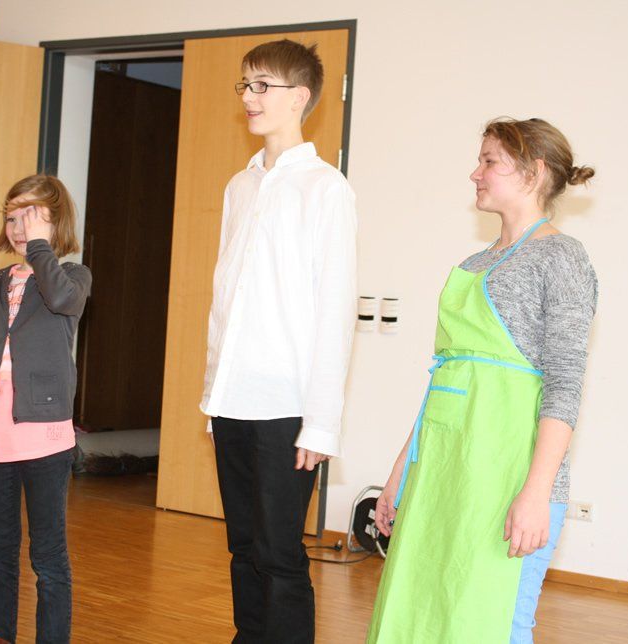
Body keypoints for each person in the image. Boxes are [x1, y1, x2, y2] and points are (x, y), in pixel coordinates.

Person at [367, 117, 598, 643]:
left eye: (489, 161)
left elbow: (565, 384)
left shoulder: (562, 258)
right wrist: (402, 469)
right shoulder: (474, 263)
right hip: (442, 471)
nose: (476, 173)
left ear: (533, 171)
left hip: (508, 477)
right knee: (423, 611)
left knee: (496, 621)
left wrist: (536, 493)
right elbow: (445, 378)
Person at [200, 39, 358, 643]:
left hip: (286, 408)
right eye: (245, 84)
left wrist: (320, 425)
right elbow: (226, 299)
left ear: (300, 97)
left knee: (279, 552)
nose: (249, 96)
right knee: (243, 547)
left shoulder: (325, 188)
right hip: (231, 401)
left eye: (262, 85)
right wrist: (213, 395)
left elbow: (335, 312)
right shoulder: (239, 186)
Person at [0, 174, 91, 644]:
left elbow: (61, 299)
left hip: (45, 439)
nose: (19, 226)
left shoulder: (71, 277)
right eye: (12, 217)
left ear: (55, 222)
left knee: (48, 558)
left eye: (31, 216)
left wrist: (40, 248)